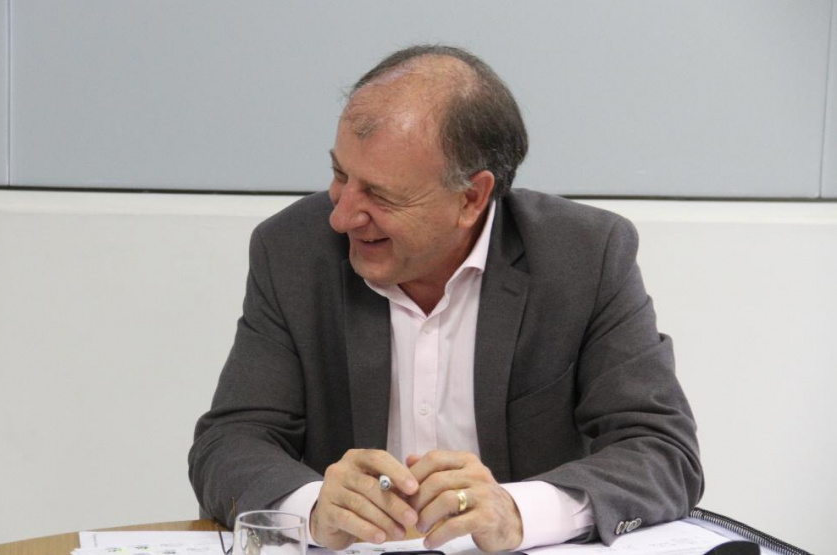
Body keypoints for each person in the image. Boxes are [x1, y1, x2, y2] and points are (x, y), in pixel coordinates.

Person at [189, 44, 703, 552]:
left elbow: (662, 452)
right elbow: (231, 442)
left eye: (380, 195)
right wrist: (316, 506)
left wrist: (517, 511)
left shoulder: (584, 257)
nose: (342, 217)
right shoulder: (292, 251)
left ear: (471, 198)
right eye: (341, 176)